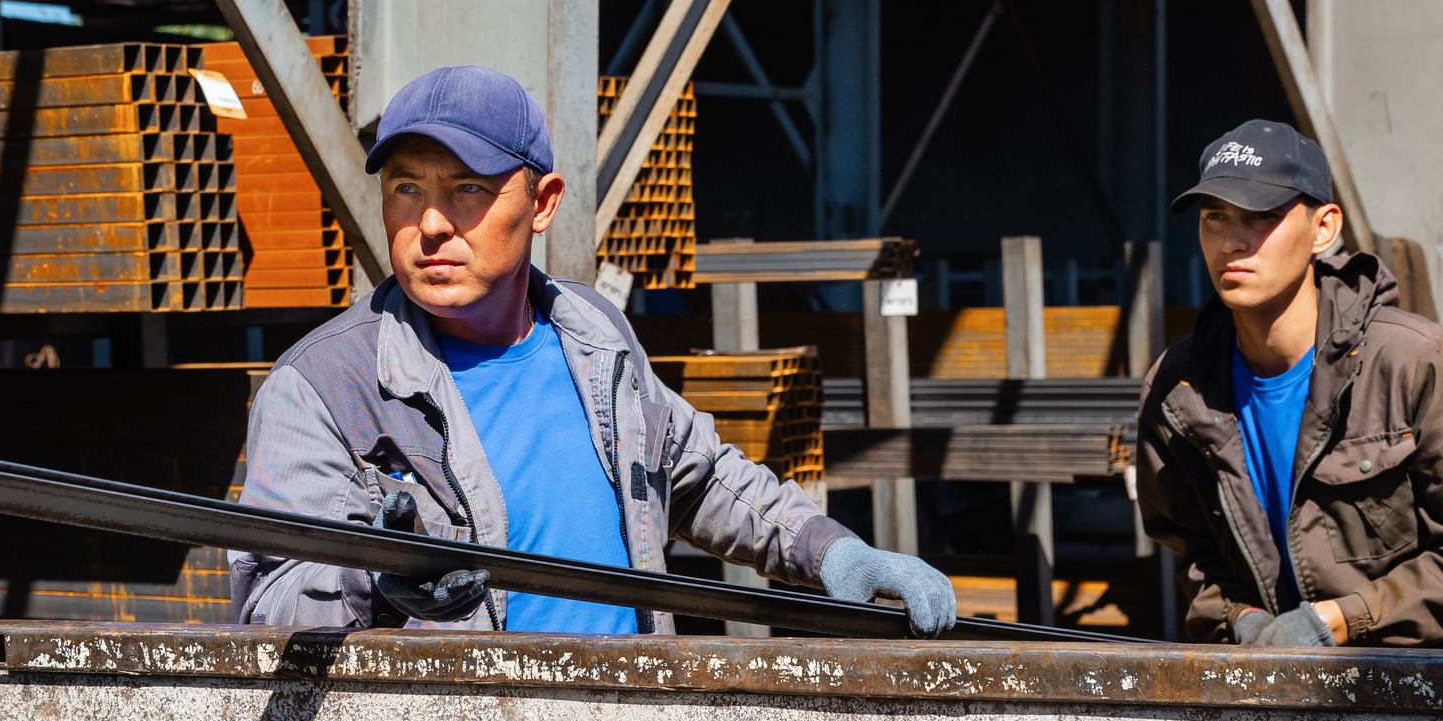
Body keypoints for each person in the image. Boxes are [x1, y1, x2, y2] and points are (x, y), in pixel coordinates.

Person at [232, 65, 958, 635]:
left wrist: (831, 550)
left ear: (543, 202)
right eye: (404, 188)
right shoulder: (325, 388)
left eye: (468, 189)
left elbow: (700, 477)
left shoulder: (592, 336)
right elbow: (267, 605)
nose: (428, 223)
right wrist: (377, 583)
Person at [1134, 120, 1443, 649]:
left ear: (1323, 229)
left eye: (1260, 217)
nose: (1232, 241)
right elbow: (1194, 553)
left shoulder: (1419, 363)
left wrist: (1336, 622)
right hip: (1297, 702)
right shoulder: (1177, 390)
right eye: (1215, 217)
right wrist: (1240, 619)